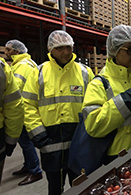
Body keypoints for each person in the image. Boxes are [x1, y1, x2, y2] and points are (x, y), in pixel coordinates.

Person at [22, 30, 95, 195]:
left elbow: (95, 104)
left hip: (79, 144)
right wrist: (38, 134)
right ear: (50, 49)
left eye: (69, 47)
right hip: (50, 143)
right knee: (55, 188)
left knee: (81, 186)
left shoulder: (85, 72)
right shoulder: (38, 73)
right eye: (60, 48)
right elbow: (28, 105)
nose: (66, 52)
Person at [82, 25, 131, 164]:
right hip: (117, 158)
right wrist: (124, 102)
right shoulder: (99, 84)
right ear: (114, 50)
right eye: (130, 49)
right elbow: (93, 126)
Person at [5, 39, 43, 186]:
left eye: (8, 50)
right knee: (25, 141)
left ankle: (35, 171)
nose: (6, 52)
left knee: (25, 142)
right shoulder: (29, 63)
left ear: (16, 51)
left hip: (22, 111)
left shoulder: (21, 66)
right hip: (27, 108)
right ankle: (28, 165)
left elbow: (14, 91)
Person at [0, 57, 24, 185]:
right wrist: (11, 140)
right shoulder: (3, 68)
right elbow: (14, 106)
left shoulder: (11, 68)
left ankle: (32, 168)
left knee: (27, 145)